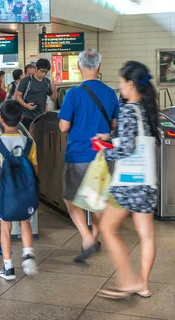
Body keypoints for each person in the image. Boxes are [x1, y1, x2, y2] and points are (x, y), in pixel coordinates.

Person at [93, 61, 159, 299]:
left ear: (130, 84)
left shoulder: (129, 109)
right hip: (147, 183)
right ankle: (142, 284)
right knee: (147, 235)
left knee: (107, 229)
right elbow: (133, 136)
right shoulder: (145, 109)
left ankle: (126, 280)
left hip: (129, 183)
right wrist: (110, 136)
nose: (119, 86)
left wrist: (104, 149)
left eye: (121, 82)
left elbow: (127, 148)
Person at [58, 49, 119, 262]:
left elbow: (64, 127)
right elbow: (114, 125)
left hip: (79, 153)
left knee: (71, 198)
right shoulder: (111, 93)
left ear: (78, 66)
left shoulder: (73, 94)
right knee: (97, 199)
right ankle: (94, 236)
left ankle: (86, 238)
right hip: (102, 153)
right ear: (99, 67)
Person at [0, 100, 38, 280]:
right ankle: (28, 255)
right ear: (21, 118)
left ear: (1, 119)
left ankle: (8, 268)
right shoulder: (29, 142)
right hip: (24, 191)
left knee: (5, 228)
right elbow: (34, 169)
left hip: (4, 193)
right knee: (25, 222)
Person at [15, 58, 57, 131]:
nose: (44, 74)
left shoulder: (47, 82)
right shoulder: (27, 81)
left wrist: (54, 90)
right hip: (27, 116)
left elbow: (53, 99)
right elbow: (17, 96)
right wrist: (26, 105)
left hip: (41, 117)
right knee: (29, 139)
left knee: (39, 140)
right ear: (36, 68)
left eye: (46, 72)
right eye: (42, 71)